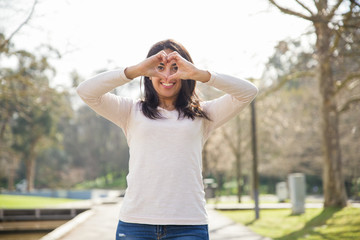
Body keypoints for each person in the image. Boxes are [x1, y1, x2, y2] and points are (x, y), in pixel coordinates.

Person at [76, 39, 258, 240]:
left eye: (175, 67)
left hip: (189, 225)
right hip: (136, 224)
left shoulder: (203, 114)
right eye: (159, 68)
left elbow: (248, 92)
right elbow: (86, 91)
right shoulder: (130, 111)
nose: (168, 76)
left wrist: (199, 74)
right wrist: (136, 70)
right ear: (149, 73)